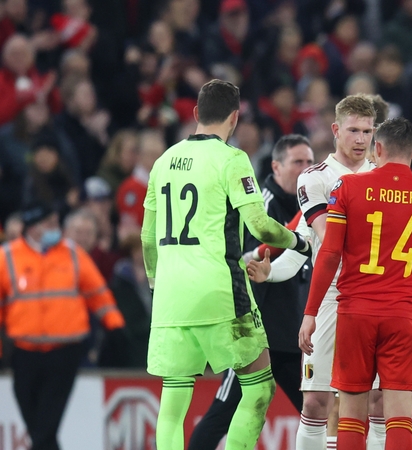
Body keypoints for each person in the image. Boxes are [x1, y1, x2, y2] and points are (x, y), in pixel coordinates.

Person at [141, 79, 311, 450]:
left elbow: (147, 238)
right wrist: (298, 241)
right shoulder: (231, 159)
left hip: (170, 299)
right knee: (259, 387)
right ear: (234, 118)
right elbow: (260, 225)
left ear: (196, 113)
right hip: (220, 292)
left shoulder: (162, 162)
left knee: (173, 404)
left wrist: (155, 281)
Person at [261, 93, 412, 450]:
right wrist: (273, 272)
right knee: (315, 401)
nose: (360, 139)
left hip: (378, 295)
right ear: (336, 130)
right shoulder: (314, 178)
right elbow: (322, 240)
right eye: (353, 130)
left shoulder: (385, 176)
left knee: (378, 403)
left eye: (367, 132)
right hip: (331, 295)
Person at [298, 117, 412, 450]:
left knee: (351, 414)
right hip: (403, 315)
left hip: (356, 313)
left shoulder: (349, 188)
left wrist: (311, 312)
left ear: (377, 148)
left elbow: (330, 254)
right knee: (399, 416)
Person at [187, 134, 315, 450]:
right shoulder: (262, 206)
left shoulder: (308, 207)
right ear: (276, 166)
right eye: (298, 162)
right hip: (256, 336)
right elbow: (247, 262)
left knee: (316, 413)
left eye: (310, 162)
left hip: (291, 336)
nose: (305, 169)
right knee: (222, 413)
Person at [0, 202, 125, 450]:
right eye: (49, 224)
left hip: (64, 351)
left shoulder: (72, 253)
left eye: (56, 223)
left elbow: (98, 293)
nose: (55, 228)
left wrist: (115, 325)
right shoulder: (8, 257)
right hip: (25, 352)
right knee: (36, 422)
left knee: (47, 423)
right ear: (33, 227)